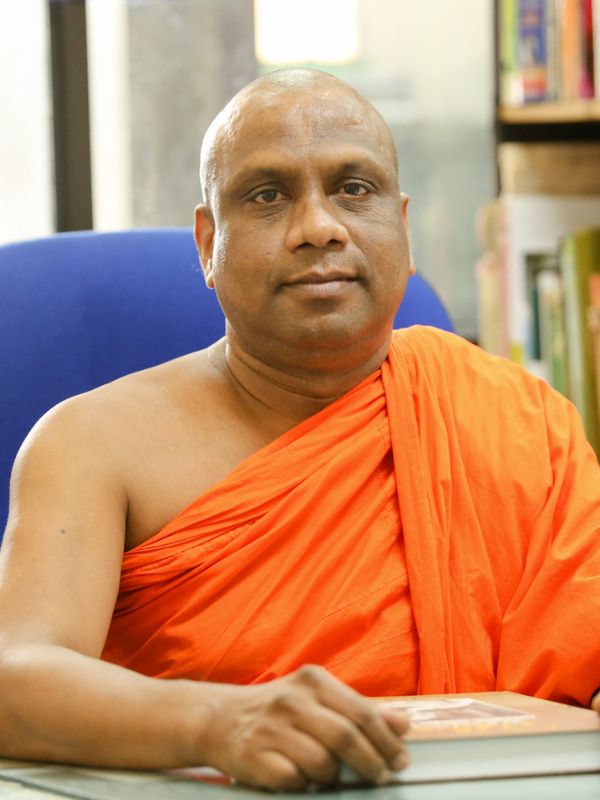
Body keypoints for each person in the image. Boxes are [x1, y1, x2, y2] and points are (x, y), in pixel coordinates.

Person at [0, 68, 599, 791]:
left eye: (354, 188)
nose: (319, 227)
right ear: (206, 244)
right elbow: (16, 679)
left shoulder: (522, 420)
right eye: (267, 195)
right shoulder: (91, 443)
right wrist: (217, 723)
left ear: (403, 231)